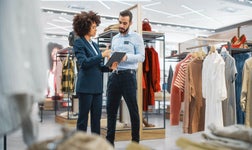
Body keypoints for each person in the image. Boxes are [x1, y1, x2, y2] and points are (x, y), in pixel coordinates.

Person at [106, 10, 145, 145]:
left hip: (128, 77)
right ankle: (109, 143)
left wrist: (126, 57)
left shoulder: (137, 37)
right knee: (111, 112)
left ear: (130, 23)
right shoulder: (115, 38)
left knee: (133, 110)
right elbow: (113, 56)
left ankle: (135, 143)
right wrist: (111, 61)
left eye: (124, 23)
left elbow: (142, 57)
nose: (121, 25)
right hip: (114, 77)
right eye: (120, 22)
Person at [72, 11, 112, 135]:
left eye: (96, 27)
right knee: (83, 120)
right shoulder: (79, 42)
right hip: (85, 88)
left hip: (97, 88)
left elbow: (98, 66)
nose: (95, 30)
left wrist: (110, 66)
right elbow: (84, 63)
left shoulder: (94, 44)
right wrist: (101, 55)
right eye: (93, 27)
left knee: (96, 120)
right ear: (85, 27)